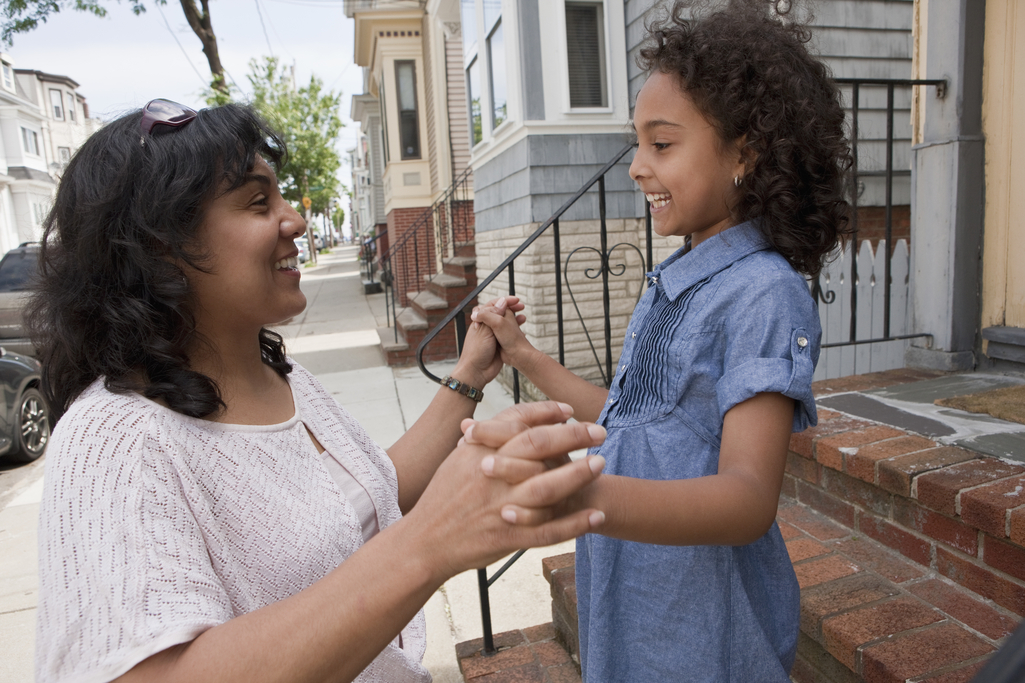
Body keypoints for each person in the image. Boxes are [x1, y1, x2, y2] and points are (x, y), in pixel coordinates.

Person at [29, 99, 609, 683]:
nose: (296, 220)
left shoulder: (281, 375)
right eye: (259, 202)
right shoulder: (114, 439)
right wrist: (430, 543)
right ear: (160, 247)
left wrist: (468, 378)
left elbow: (366, 497)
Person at [471, 1, 852, 680]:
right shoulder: (677, 280)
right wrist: (522, 355)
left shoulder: (761, 292)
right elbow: (630, 420)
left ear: (745, 152)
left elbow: (744, 498)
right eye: (635, 143)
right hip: (634, 599)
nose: (636, 167)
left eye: (662, 144)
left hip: (701, 628)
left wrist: (580, 500)